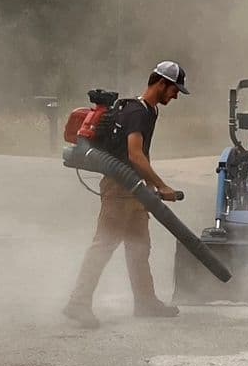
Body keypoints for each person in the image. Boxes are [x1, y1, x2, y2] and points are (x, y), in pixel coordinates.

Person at [64, 61, 189, 328]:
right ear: (160, 83)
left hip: (134, 189)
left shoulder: (150, 111)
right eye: (174, 89)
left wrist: (149, 186)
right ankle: (78, 302)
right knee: (104, 245)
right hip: (119, 187)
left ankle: (145, 302)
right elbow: (134, 154)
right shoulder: (136, 112)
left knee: (139, 247)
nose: (176, 95)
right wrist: (161, 185)